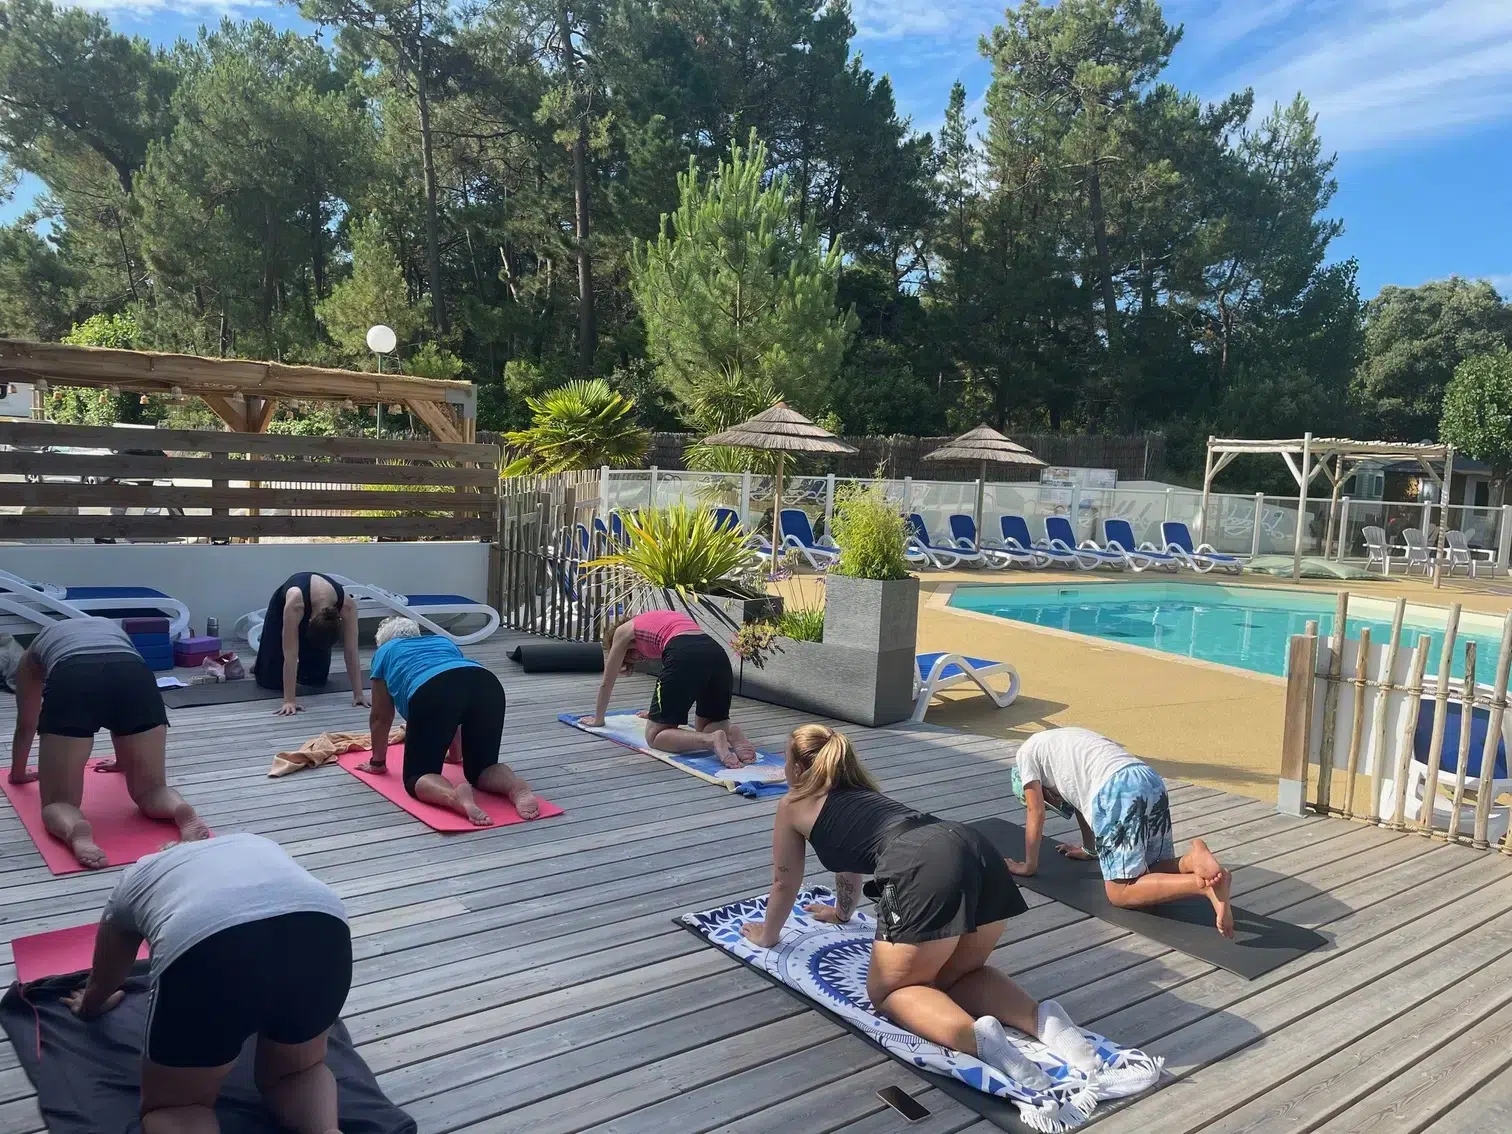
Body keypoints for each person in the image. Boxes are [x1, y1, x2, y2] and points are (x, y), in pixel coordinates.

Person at [739, 724, 1102, 1086]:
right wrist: (840, 913)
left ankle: (982, 1041)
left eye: (786, 761)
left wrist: (767, 936)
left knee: (889, 991)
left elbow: (785, 882)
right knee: (951, 977)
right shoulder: (864, 796)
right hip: (974, 848)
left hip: (918, 866)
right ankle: (1047, 1022)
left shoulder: (792, 804)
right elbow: (847, 864)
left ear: (800, 769)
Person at [66, 833, 351, 1134]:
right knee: (298, 1072)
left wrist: (90, 1005)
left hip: (208, 944)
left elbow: (108, 967)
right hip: (323, 926)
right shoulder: (252, 841)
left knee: (179, 1106)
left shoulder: (137, 873)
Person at [7, 619, 209, 870]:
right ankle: (179, 810)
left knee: (59, 802)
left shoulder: (32, 655)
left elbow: (26, 723)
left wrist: (17, 774)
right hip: (134, 675)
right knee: (152, 790)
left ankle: (75, 829)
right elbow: (118, 703)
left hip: (74, 677)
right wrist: (123, 761)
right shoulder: (113, 633)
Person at [1008, 726, 1234, 937]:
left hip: (1116, 791)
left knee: (1120, 891)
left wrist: (1028, 865)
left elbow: (1035, 810)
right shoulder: (1060, 742)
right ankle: (1192, 860)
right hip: (1147, 778)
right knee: (1150, 867)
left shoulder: (1025, 755)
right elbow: (1079, 798)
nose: (1054, 801)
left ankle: (1203, 885)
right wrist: (1090, 848)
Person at [358, 617, 539, 825]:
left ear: (383, 642)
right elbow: (456, 700)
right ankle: (514, 786)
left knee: (417, 776)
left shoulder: (385, 651)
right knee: (482, 768)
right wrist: (455, 755)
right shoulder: (443, 642)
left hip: (431, 689)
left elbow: (381, 716)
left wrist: (378, 763)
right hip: (486, 683)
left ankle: (453, 796)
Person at [582, 610, 757, 769]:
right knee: (704, 727)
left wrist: (598, 719)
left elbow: (607, 681)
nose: (638, 658)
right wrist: (655, 714)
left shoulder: (622, 632)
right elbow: (676, 682)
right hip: (717, 654)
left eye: (632, 657)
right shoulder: (659, 621)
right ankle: (729, 732)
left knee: (655, 736)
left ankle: (712, 740)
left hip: (684, 653)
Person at [251, 572, 366, 717]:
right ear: (310, 621)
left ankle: (309, 666)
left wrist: (358, 694)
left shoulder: (347, 605)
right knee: (271, 681)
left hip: (319, 611)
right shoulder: (295, 604)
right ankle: (260, 663)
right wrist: (289, 701)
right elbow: (290, 653)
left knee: (316, 679)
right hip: (283, 606)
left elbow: (351, 650)